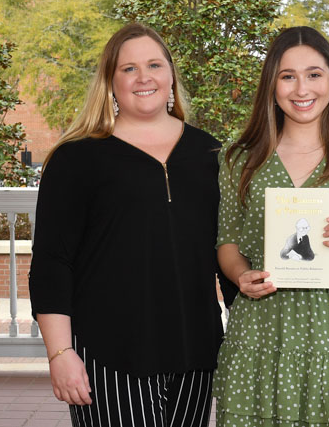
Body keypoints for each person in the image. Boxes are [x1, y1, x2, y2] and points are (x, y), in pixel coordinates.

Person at [29, 23, 229, 427]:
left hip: (196, 352)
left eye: (154, 65)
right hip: (109, 354)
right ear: (109, 81)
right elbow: (51, 263)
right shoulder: (76, 158)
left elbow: (225, 252)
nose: (144, 78)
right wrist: (60, 353)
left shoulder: (209, 152)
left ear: (171, 75)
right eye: (128, 69)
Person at [213, 26, 329, 427]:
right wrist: (239, 274)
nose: (302, 88)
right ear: (272, 84)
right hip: (262, 335)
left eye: (314, 74)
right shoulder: (240, 159)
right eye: (288, 76)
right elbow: (228, 241)